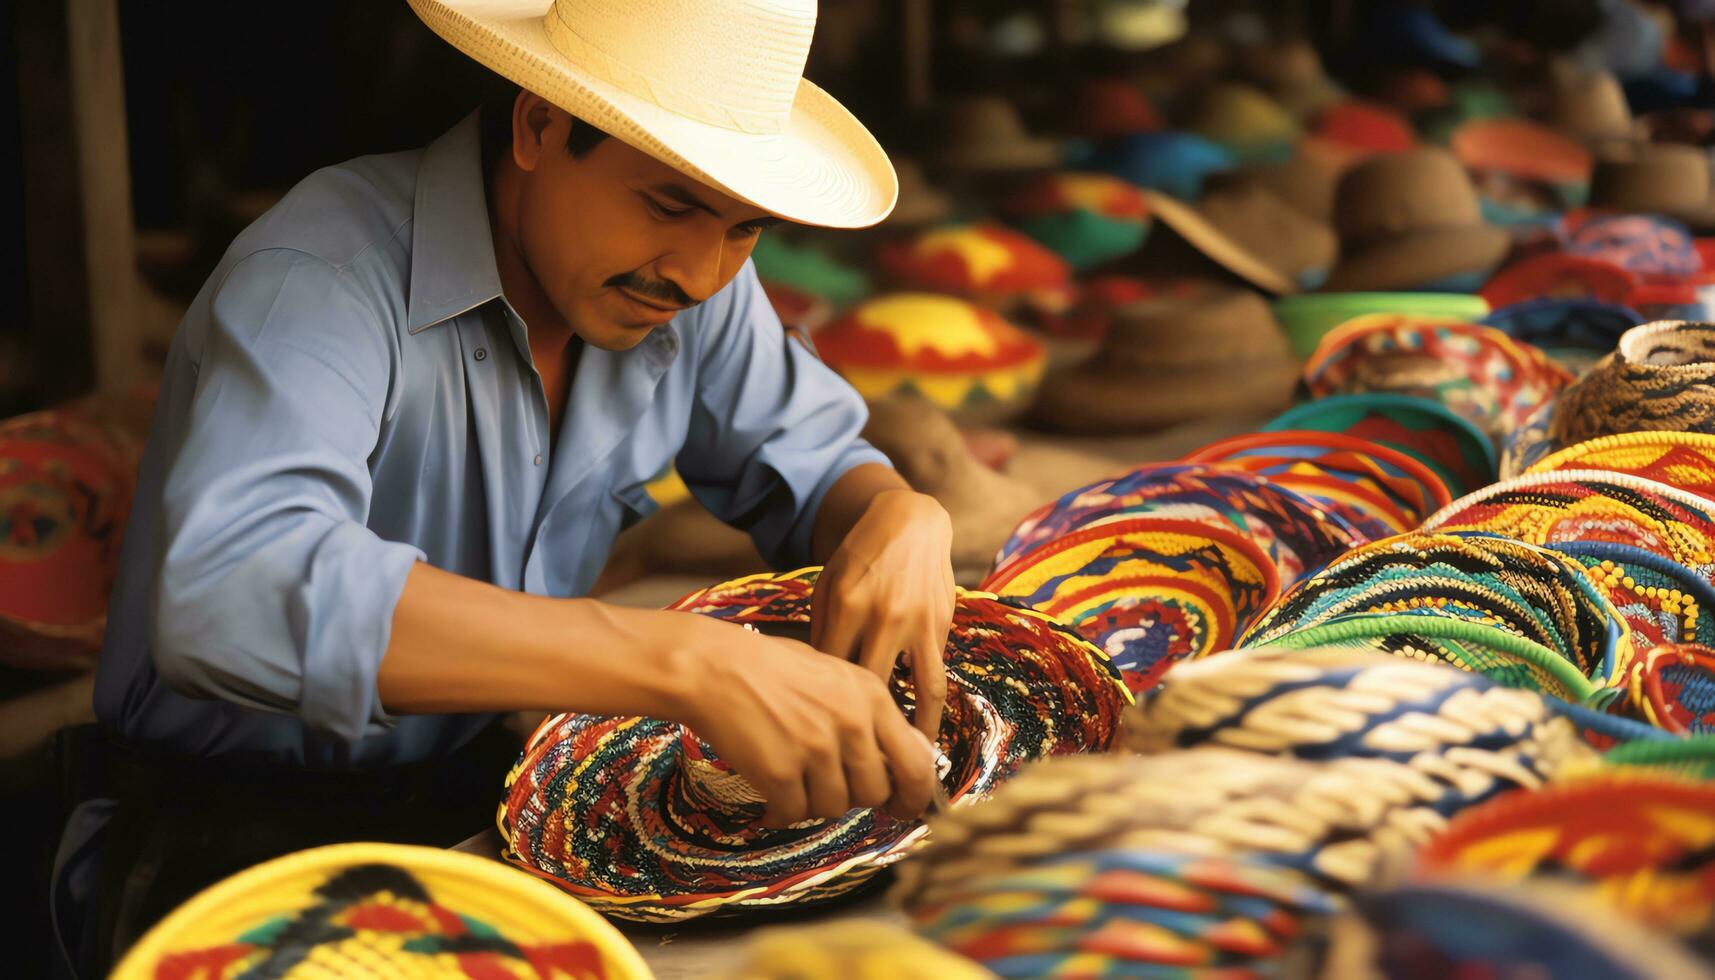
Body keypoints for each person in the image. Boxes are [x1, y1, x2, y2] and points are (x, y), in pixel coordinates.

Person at [51, 0, 955, 973]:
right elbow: (231, 591)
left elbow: (820, 461)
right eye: (666, 203)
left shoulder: (688, 286)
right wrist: (679, 659)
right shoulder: (319, 276)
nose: (699, 271)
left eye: (744, 227)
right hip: (223, 839)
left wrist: (896, 511)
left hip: (481, 802)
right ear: (536, 124)